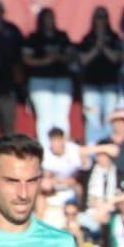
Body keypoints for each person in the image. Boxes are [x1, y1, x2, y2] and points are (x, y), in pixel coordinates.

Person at [22, 8, 75, 147]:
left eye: (51, 17)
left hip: (61, 78)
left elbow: (70, 56)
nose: (49, 21)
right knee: (45, 116)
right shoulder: (34, 37)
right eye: (46, 18)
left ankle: (62, 147)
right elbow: (27, 59)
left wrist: (58, 56)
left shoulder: (62, 36)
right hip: (40, 80)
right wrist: (45, 60)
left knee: (61, 116)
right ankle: (45, 149)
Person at [75, 7, 124, 145]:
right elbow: (83, 60)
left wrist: (104, 46)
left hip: (110, 82)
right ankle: (93, 145)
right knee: (92, 116)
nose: (101, 21)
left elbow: (116, 58)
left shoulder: (114, 38)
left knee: (109, 115)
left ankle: (107, 145)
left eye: (103, 17)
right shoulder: (87, 38)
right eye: (98, 17)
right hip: (91, 83)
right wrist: (97, 46)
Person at [0, 1, 25, 142]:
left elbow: (21, 56)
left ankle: (8, 151)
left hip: (8, 85)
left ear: (3, 12)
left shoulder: (13, 31)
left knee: (8, 124)